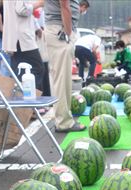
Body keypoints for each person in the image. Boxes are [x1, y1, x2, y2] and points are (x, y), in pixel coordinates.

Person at [44, 0, 86, 132]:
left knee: (62, 78)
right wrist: (68, 33)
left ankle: (63, 118)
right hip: (60, 31)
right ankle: (64, 122)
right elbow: (65, 5)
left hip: (57, 29)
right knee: (62, 80)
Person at [3, 0, 45, 92]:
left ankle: (21, 102)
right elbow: (22, 9)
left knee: (20, 72)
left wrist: (37, 27)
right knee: (37, 69)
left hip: (15, 38)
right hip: (22, 38)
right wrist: (39, 4)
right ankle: (31, 102)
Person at [0, 1, 13, 77]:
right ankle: (3, 86)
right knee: (6, 64)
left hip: (4, 38)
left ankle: (3, 84)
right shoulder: (4, 7)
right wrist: (3, 29)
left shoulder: (6, 6)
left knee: (5, 63)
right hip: (4, 39)